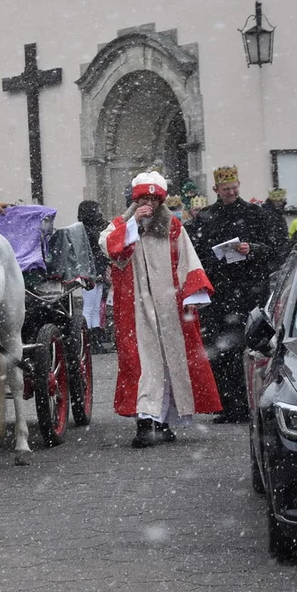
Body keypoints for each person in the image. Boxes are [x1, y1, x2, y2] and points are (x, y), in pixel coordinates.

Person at [100, 171, 221, 448]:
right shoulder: (121, 225)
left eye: (155, 199)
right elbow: (109, 247)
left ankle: (163, 423)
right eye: (144, 198)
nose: (150, 205)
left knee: (169, 364)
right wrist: (133, 224)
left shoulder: (173, 227)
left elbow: (188, 259)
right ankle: (144, 424)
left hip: (170, 309)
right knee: (142, 364)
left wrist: (193, 293)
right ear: (135, 200)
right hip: (136, 309)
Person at [188, 165, 283, 424]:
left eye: (233, 188)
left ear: (238, 185)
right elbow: (196, 253)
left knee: (251, 346)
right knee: (221, 350)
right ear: (216, 190)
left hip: (250, 290)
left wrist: (250, 249)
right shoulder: (206, 217)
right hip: (220, 292)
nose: (230, 192)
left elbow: (275, 250)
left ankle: (254, 402)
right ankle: (228, 405)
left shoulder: (255, 214)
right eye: (225, 189)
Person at [77, 200, 111, 350]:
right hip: (91, 270)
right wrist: (96, 271)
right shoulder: (85, 230)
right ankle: (90, 340)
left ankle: (94, 339)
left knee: (96, 306)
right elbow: (91, 253)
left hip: (96, 269)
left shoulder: (89, 228)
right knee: (90, 306)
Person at [261, 188, 290, 263]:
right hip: (274, 256)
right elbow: (273, 237)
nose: (283, 202)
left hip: (276, 254)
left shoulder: (276, 213)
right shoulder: (269, 215)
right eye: (280, 200)